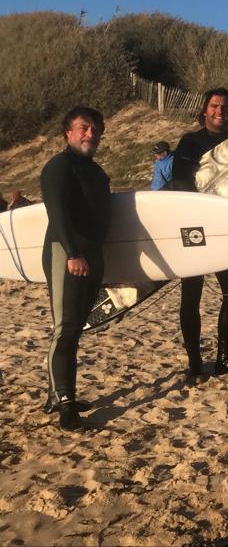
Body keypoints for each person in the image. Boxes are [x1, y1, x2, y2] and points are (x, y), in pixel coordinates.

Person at [40, 107, 111, 430]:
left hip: (91, 254)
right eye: (83, 128)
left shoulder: (95, 171)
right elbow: (57, 213)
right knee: (65, 326)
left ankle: (60, 391)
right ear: (68, 133)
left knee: (75, 327)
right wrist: (73, 253)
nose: (90, 134)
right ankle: (64, 404)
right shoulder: (59, 167)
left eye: (95, 128)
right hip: (65, 252)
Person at [171, 88, 228, 383]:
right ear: (204, 110)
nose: (219, 110)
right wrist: (199, 211)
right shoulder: (190, 142)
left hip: (226, 227)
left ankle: (224, 359)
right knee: (191, 294)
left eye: (225, 106)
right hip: (194, 225)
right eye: (214, 105)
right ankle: (194, 363)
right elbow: (179, 180)